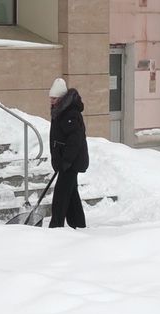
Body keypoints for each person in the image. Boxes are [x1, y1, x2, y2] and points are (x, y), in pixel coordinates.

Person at [48, 78, 88, 229]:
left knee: (61, 194)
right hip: (65, 160)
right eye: (50, 98)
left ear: (61, 98)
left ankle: (56, 225)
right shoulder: (59, 111)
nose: (51, 101)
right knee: (71, 193)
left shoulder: (70, 113)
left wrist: (66, 160)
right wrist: (57, 159)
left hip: (71, 161)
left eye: (54, 98)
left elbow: (75, 140)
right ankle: (78, 223)